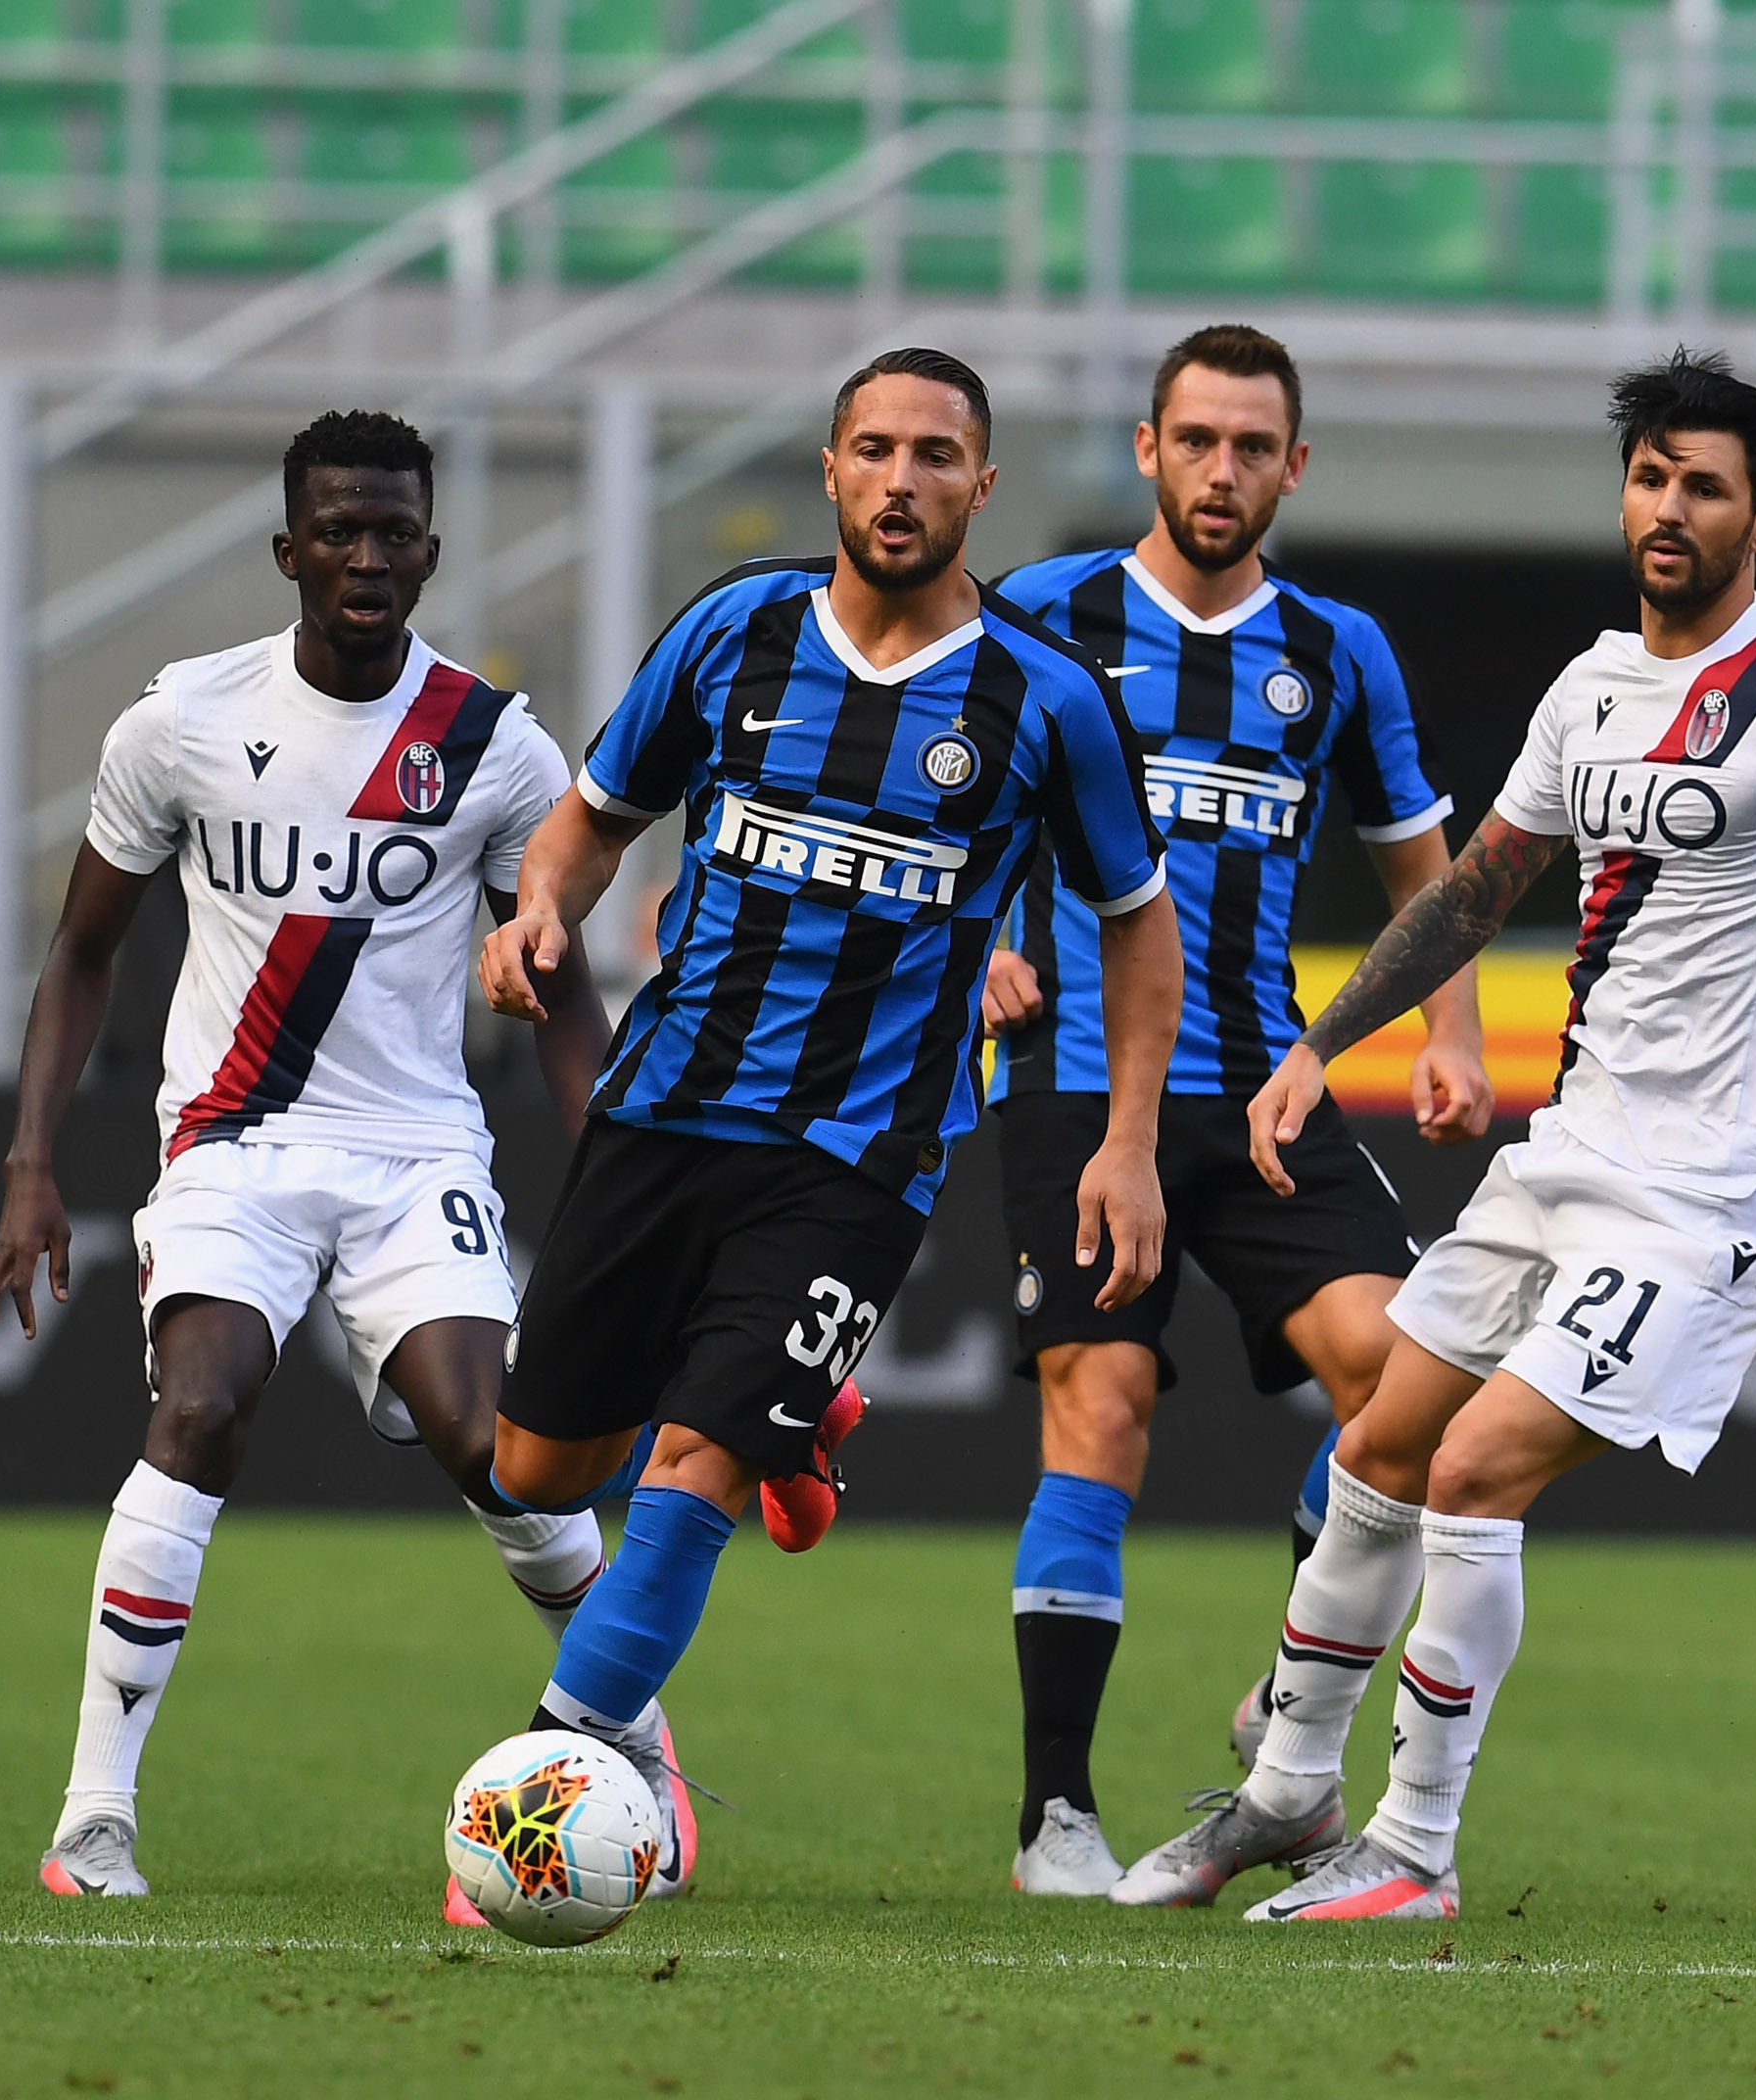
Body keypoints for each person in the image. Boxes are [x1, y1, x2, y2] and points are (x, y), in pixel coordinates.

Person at [1113, 350, 1756, 1920]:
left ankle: (1414, 1850)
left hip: (1701, 1194)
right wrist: (1318, 1049)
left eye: (1706, 488)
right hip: (1561, 1158)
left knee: (1475, 1468)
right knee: (1375, 1449)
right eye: (1651, 478)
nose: (1669, 509)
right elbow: (1475, 891)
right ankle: (1283, 1796)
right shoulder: (1592, 685)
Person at [475, 349, 1181, 1808]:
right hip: (664, 1106)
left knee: (694, 1470)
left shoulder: (1046, 697)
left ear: (983, 484)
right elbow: (592, 820)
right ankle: (802, 1419)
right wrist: (540, 909)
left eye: (936, 455)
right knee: (537, 1472)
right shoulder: (732, 630)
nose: (901, 481)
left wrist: (1127, 1141)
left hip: (861, 1153)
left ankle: (551, 1803)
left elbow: (1138, 922)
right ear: (830, 469)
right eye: (875, 450)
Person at [0, 409, 642, 1916]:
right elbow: (82, 952)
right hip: (232, 1142)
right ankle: (93, 1817)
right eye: (338, 531)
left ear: (431, 551)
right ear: (288, 550)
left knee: (501, 1454)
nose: (367, 557)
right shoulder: (180, 723)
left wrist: (619, 1192)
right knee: (200, 1406)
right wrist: (29, 1163)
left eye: (394, 532)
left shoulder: (493, 746)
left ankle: (634, 1743)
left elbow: (562, 994)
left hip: (414, 1151)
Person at [981, 323, 1492, 1897]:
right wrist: (982, 944)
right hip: (1080, 1084)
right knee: (1104, 1407)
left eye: (1251, 446)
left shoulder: (1338, 650)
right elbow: (950, 792)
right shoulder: (1045, 611)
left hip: (1268, 1085)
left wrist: (1451, 1034)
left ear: (1294, 465)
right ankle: (1055, 1812)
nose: (1221, 471)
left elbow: (1425, 864)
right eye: (1195, 440)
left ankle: (1291, 1683)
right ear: (1148, 449)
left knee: (1408, 1386)